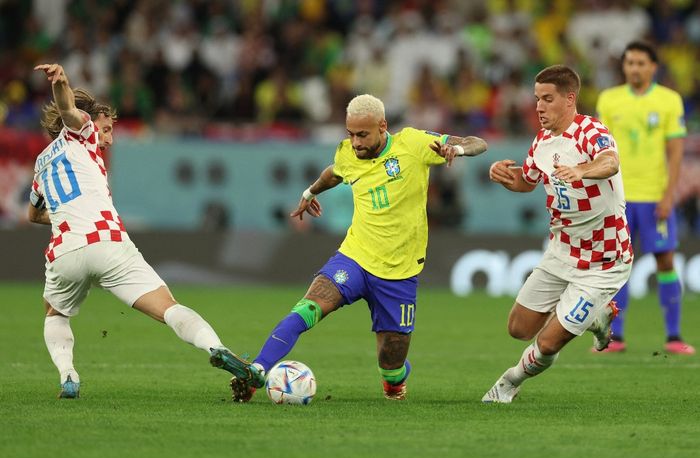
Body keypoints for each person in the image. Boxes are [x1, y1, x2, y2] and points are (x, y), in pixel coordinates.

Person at [221, 94, 488, 401]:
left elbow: (477, 142)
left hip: (399, 271)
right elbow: (334, 172)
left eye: (363, 134)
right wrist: (309, 192)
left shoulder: (414, 144)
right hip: (355, 257)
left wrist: (456, 148)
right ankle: (256, 370)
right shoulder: (348, 153)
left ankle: (395, 382)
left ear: (383, 126)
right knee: (310, 305)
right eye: (350, 134)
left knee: (391, 361)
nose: (356, 142)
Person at [30, 64, 251, 399]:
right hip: (108, 242)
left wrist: (62, 217)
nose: (109, 137)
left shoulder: (41, 162)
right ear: (89, 122)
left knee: (55, 313)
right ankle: (216, 348)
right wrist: (61, 83)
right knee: (167, 306)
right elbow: (67, 110)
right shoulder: (82, 131)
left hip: (64, 250)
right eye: (106, 129)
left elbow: (33, 213)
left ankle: (68, 376)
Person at [483, 65, 633, 403]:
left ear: (569, 99)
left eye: (547, 99)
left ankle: (508, 383)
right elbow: (529, 180)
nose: (538, 107)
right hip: (562, 250)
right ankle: (598, 316)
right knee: (518, 329)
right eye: (536, 99)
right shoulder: (541, 141)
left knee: (549, 342)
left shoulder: (591, 131)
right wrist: (509, 177)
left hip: (604, 259)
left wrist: (581, 170)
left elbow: (610, 162)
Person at [596, 41, 695, 355]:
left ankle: (674, 336)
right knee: (618, 265)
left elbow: (676, 153)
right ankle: (616, 337)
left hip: (654, 197)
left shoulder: (669, 101)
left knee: (665, 261)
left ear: (653, 67)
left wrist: (669, 195)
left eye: (640, 63)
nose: (634, 68)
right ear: (623, 67)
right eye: (629, 63)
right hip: (618, 198)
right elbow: (599, 149)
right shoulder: (609, 100)